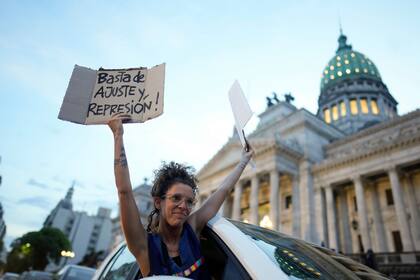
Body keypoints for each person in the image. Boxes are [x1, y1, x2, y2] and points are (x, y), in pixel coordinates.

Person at [108, 116, 253, 278]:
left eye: (189, 201)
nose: (184, 206)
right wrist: (118, 135)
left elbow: (223, 190)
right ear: (158, 202)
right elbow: (124, 191)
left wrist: (244, 161)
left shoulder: (193, 229)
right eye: (176, 198)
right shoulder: (144, 246)